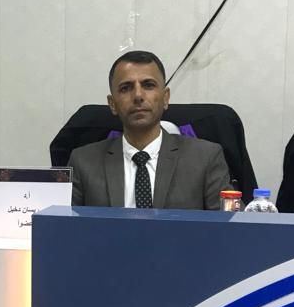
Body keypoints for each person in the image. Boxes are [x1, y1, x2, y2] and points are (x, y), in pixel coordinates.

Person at [69, 51, 230, 209]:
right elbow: (64, 223)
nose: (138, 96)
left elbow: (231, 222)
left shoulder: (205, 158)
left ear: (165, 97)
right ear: (112, 104)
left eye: (148, 85)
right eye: (126, 88)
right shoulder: (83, 162)